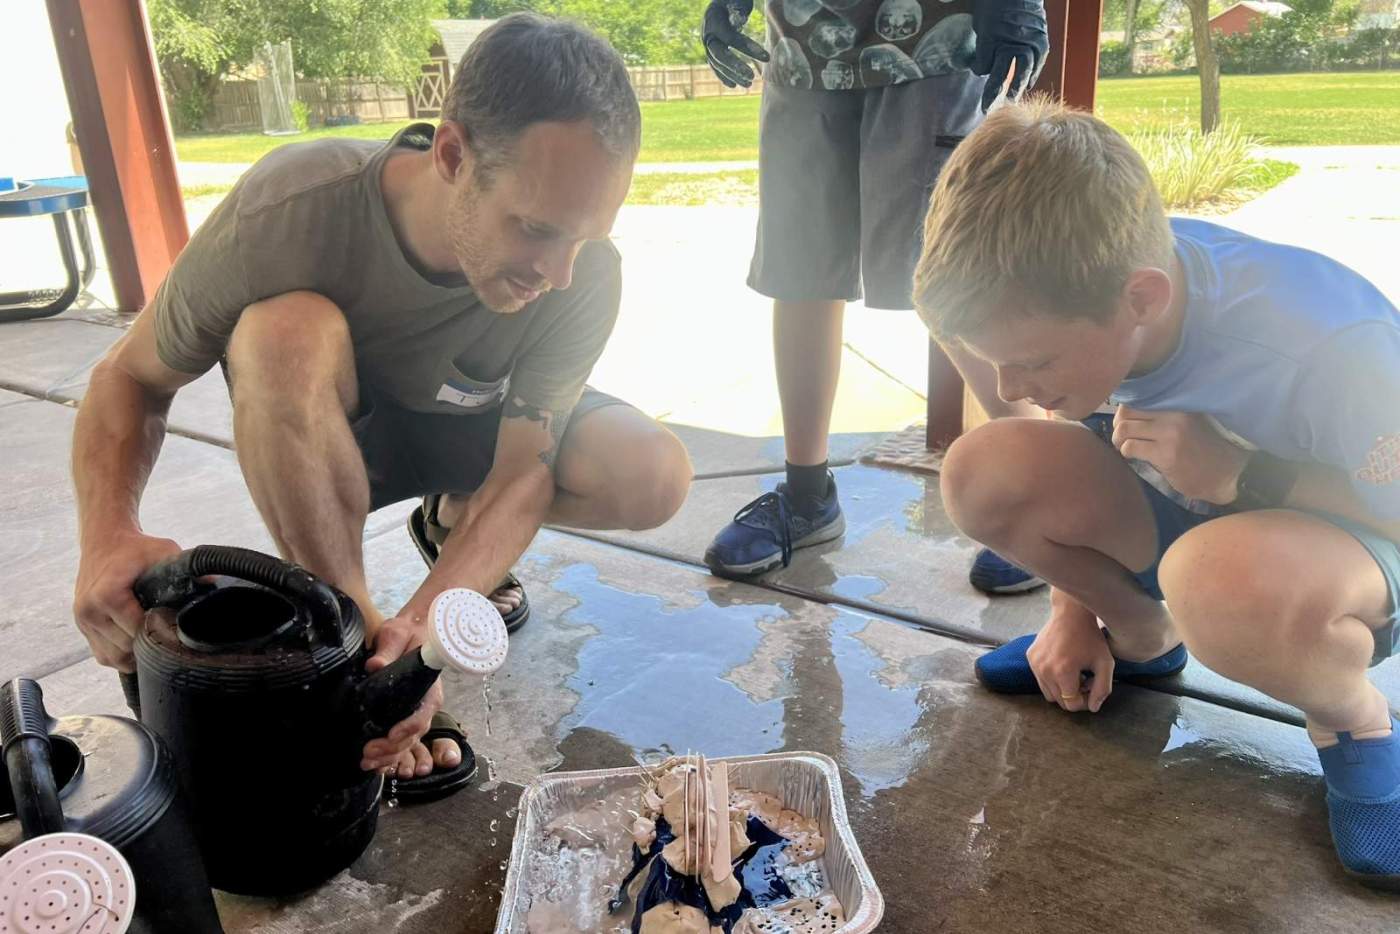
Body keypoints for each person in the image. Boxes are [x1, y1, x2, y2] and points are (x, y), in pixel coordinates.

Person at [69, 14, 691, 797]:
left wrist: (427, 624)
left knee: (654, 473)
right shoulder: (290, 209)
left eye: (585, 237)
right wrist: (106, 532)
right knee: (282, 332)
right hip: (338, 434)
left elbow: (524, 468)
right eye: (535, 230)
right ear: (454, 154)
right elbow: (128, 377)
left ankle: (443, 531)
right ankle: (353, 649)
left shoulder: (579, 272)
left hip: (476, 430)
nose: (559, 273)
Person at [915, 98, 1400, 887]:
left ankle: (1356, 720)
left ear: (1141, 301)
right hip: (1192, 518)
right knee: (981, 469)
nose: (1011, 387)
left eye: (1032, 362)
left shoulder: (1328, 340)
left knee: (1217, 580)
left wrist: (1247, 478)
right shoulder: (1087, 292)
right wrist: (1072, 611)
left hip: (1341, 554)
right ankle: (1140, 640)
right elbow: (1074, 440)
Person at [699, 0, 1051, 594]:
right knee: (800, 276)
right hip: (802, 52)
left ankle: (1052, 498)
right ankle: (808, 497)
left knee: (951, 281)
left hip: (931, 45)